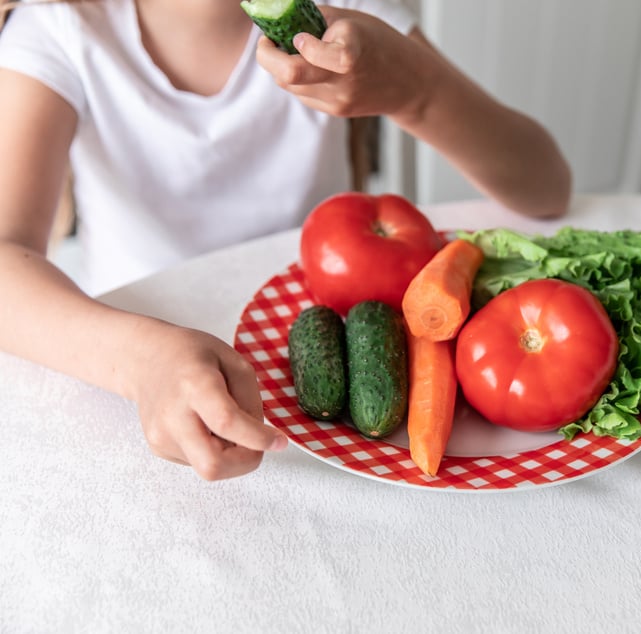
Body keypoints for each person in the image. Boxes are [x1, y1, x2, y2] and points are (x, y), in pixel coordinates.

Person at [0, 0, 572, 480]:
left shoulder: (337, 7)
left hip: (320, 360)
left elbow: (546, 186)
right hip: (134, 379)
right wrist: (139, 360)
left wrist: (417, 91)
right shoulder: (59, 26)